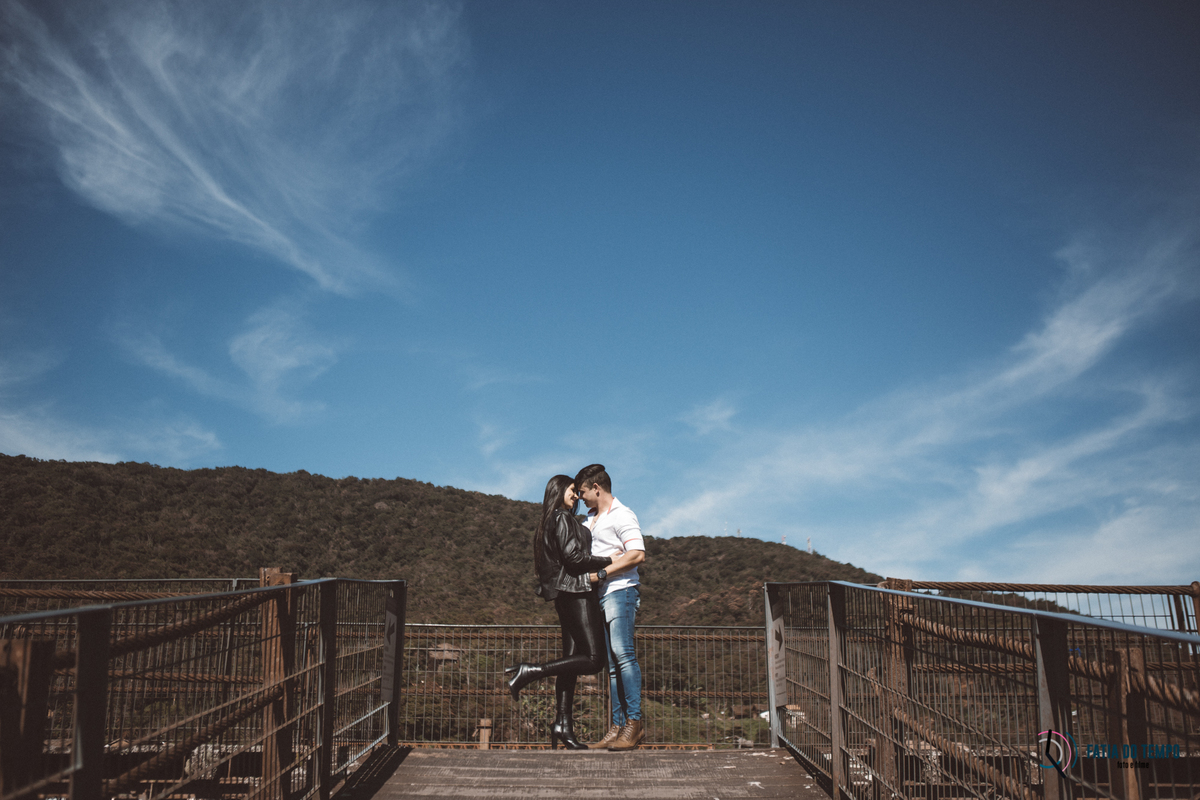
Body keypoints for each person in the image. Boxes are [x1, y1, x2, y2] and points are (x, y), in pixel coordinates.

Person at [504, 475, 613, 749]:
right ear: (558, 489)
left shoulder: (548, 521)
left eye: (578, 492)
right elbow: (574, 559)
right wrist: (613, 560)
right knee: (593, 659)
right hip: (577, 593)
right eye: (572, 491)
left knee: (572, 661)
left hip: (563, 596)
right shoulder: (562, 518)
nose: (576, 496)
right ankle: (532, 671)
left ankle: (562, 724)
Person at [573, 463, 646, 751]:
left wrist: (602, 573)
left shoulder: (622, 514)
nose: (580, 497)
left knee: (624, 655)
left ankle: (634, 724)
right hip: (600, 596)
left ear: (596, 488)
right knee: (613, 666)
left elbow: (637, 553)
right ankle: (616, 728)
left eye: (582, 492)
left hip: (620, 591)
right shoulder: (591, 518)